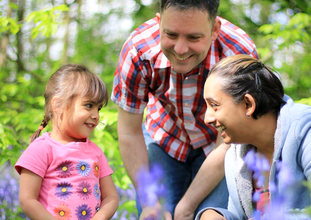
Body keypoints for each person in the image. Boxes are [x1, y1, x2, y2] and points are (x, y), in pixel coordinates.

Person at [111, 0, 259, 219]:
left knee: (211, 215)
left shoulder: (239, 55)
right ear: (158, 22)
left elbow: (227, 144)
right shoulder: (137, 51)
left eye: (193, 37)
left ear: (214, 30)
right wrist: (150, 202)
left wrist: (187, 206)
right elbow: (128, 132)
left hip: (220, 144)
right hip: (163, 137)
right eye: (170, 35)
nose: (180, 49)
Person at [196, 54, 311, 220]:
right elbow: (243, 216)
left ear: (248, 104)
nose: (207, 118)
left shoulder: (309, 132)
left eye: (214, 106)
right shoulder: (235, 157)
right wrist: (216, 216)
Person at [15, 64, 119, 220]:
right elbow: (27, 200)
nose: (96, 115)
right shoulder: (42, 149)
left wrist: (100, 217)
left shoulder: (96, 152)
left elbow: (111, 197)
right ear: (58, 105)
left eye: (98, 108)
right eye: (89, 106)